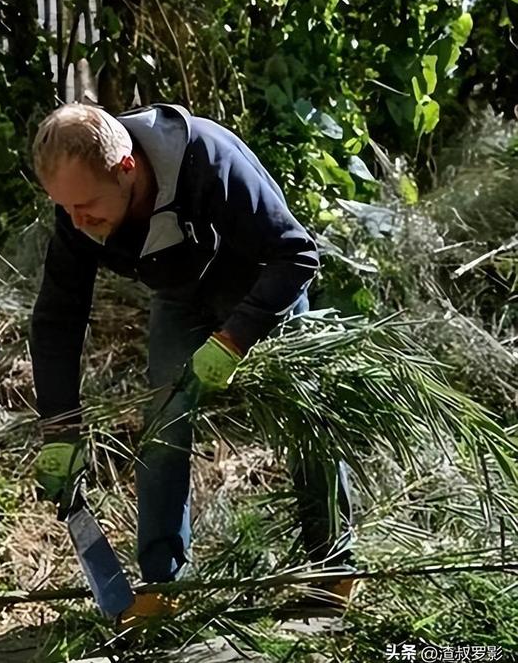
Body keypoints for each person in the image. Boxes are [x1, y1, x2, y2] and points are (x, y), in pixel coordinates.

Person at [29, 102, 354, 625]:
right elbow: (56, 319)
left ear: (127, 167)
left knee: (303, 421)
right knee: (162, 429)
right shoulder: (79, 207)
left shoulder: (207, 158)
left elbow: (296, 254)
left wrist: (233, 340)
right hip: (179, 294)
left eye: (86, 206)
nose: (77, 221)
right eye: (65, 208)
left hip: (259, 283)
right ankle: (163, 584)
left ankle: (333, 567)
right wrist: (60, 427)